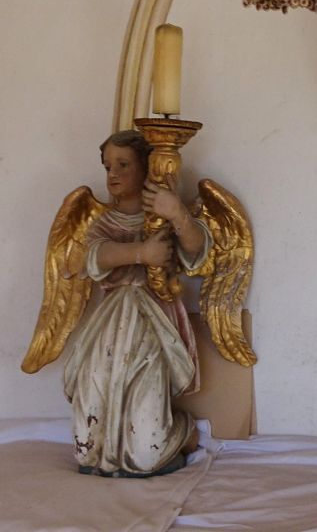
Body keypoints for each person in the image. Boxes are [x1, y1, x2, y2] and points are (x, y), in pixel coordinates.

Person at [63, 130, 212, 477]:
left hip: (153, 328)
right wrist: (141, 252)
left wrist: (177, 213)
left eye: (123, 165)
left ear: (146, 168)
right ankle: (103, 449)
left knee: (145, 455)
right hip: (109, 333)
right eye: (107, 167)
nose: (112, 174)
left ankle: (181, 431)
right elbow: (94, 258)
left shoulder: (163, 219)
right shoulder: (104, 222)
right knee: (86, 449)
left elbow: (197, 253)